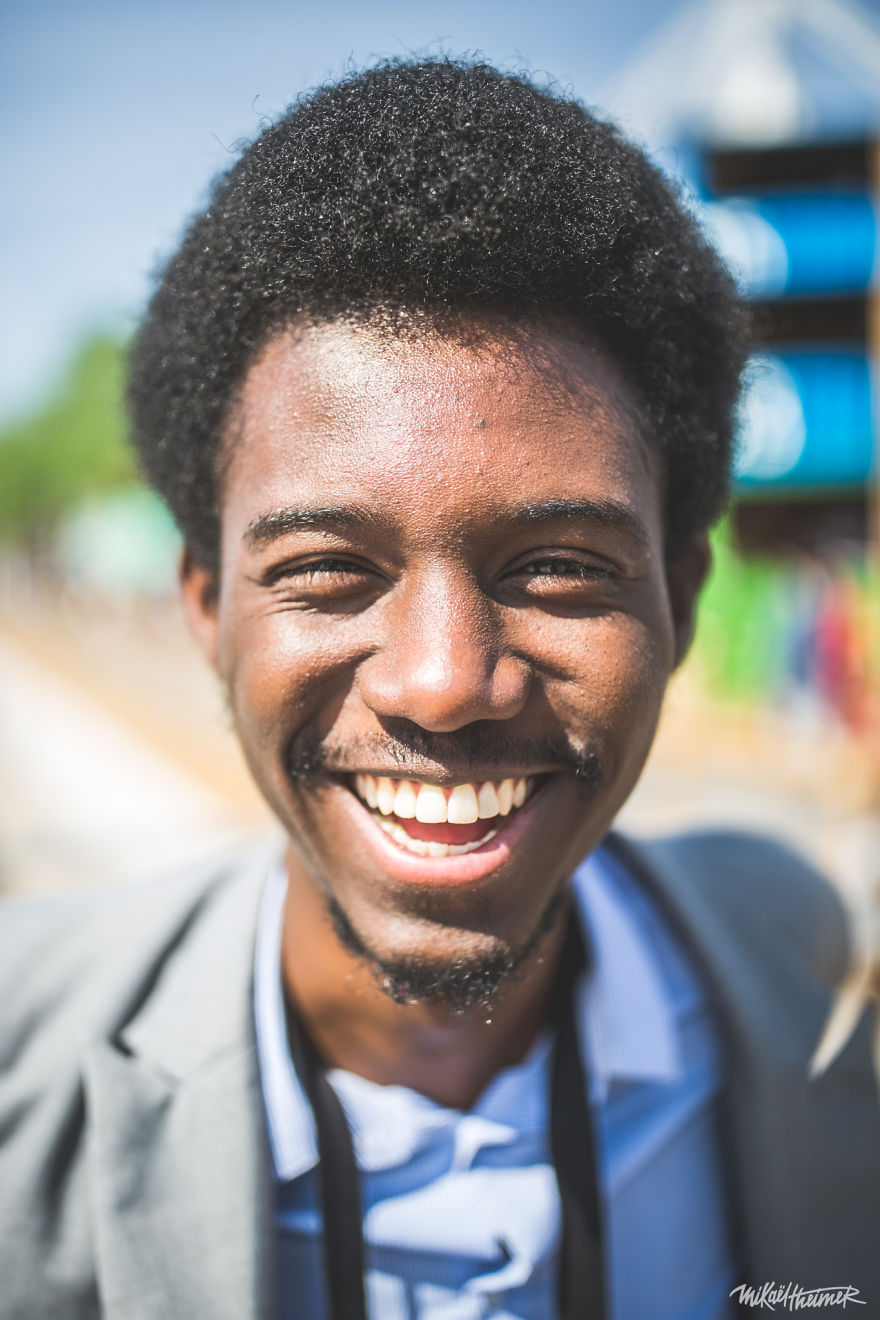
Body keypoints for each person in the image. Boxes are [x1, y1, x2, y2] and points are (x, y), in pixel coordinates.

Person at [2, 57, 878, 1320]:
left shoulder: (793, 978)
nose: (444, 681)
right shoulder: (23, 1075)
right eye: (326, 571)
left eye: (560, 568)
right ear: (206, 606)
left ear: (679, 601)